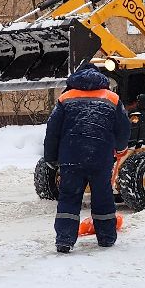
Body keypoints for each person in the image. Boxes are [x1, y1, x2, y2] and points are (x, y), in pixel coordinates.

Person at [43, 65, 131, 254]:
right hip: (101, 158)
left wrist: (50, 157)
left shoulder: (65, 98)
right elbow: (123, 128)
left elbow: (52, 131)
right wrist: (121, 148)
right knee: (103, 197)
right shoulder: (112, 98)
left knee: (69, 198)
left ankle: (65, 240)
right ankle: (106, 238)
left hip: (71, 158)